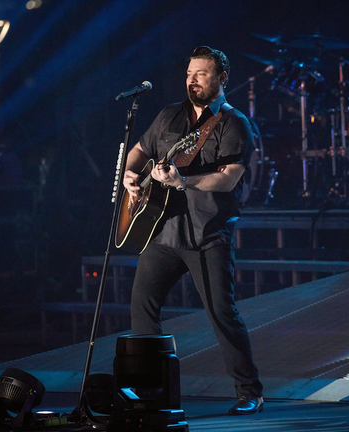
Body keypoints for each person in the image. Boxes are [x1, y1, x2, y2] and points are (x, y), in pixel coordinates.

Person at [122, 46, 264, 415]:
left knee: (222, 312)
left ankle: (250, 391)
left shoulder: (234, 124)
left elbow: (229, 179)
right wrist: (128, 175)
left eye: (201, 73)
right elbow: (138, 148)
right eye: (189, 73)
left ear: (222, 78)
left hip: (207, 235)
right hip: (164, 233)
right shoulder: (170, 115)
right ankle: (152, 390)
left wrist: (182, 180)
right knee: (142, 305)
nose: (192, 80)